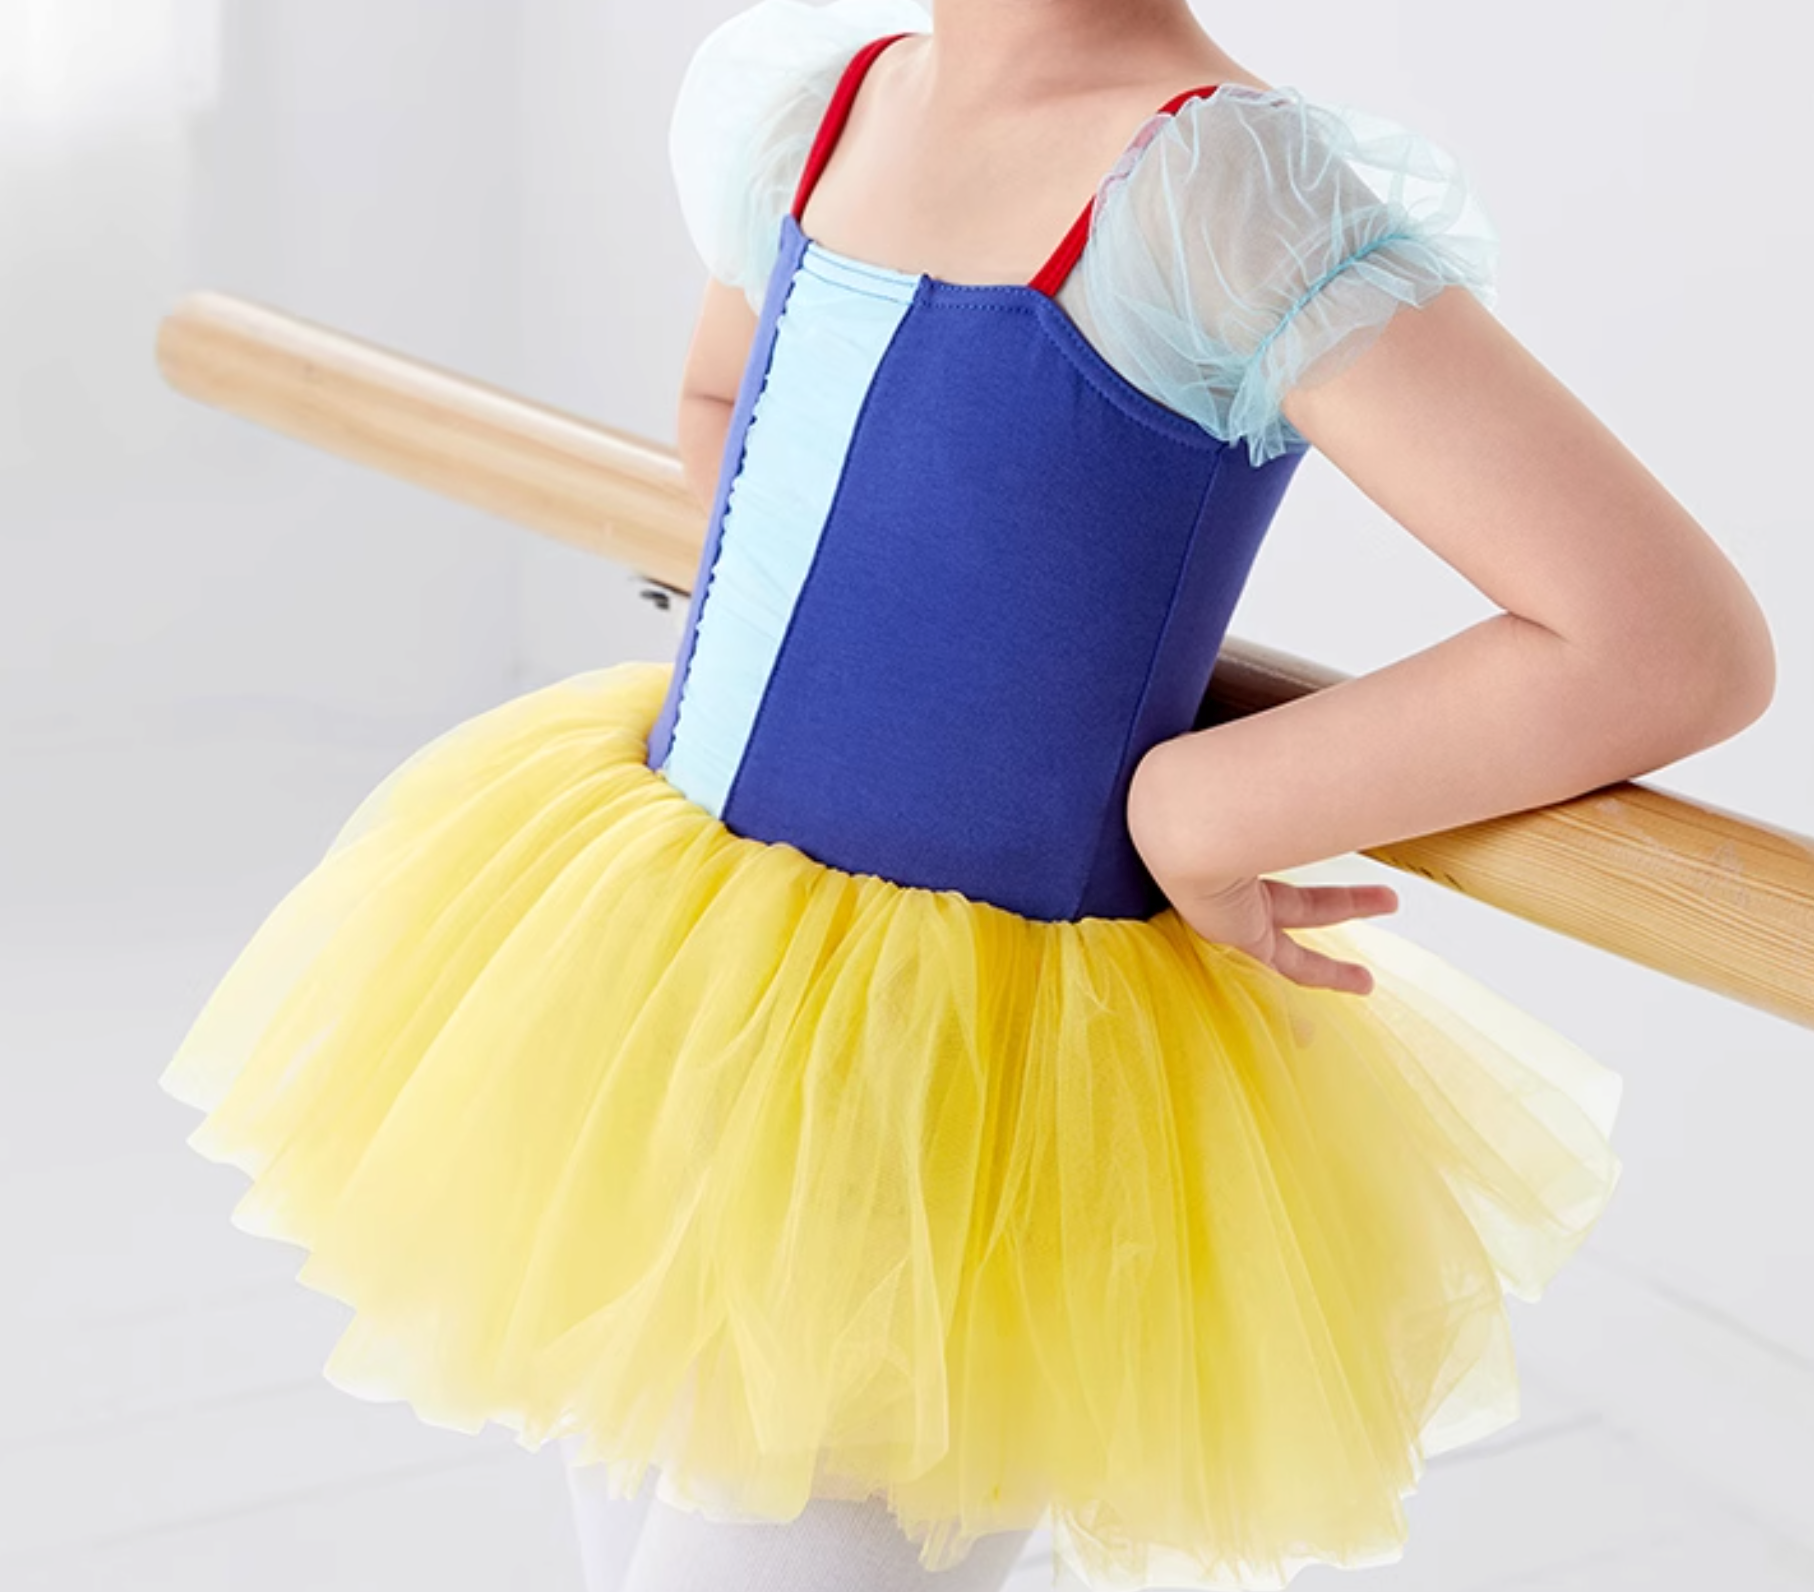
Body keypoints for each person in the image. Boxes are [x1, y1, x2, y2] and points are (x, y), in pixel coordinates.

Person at [161, 1, 1777, 1589]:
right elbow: (723, 403)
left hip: (952, 1087)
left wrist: (1201, 808)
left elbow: (1657, 642)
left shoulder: (1215, 192)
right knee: (628, 1502)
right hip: (679, 990)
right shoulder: (821, 106)